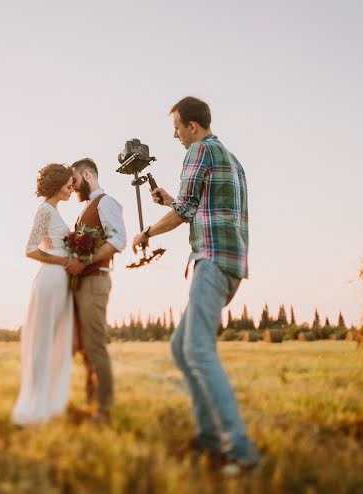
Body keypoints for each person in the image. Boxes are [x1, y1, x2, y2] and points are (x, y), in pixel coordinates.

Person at [131, 96, 261, 474]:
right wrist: (170, 201)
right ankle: (208, 439)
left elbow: (185, 211)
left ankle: (240, 450)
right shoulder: (230, 158)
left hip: (212, 260)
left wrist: (146, 233)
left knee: (199, 351)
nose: (175, 137)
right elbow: (199, 206)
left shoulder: (198, 151)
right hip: (230, 262)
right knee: (180, 347)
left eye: (176, 129)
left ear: (192, 126)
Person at [12, 164, 84, 425]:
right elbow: (30, 250)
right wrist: (63, 262)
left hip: (61, 282)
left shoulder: (55, 211)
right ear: (57, 185)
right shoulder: (44, 210)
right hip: (50, 279)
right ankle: (35, 407)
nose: (71, 188)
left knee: (57, 342)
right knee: (43, 342)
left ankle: (51, 403)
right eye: (68, 184)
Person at [68, 158, 127, 425]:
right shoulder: (85, 209)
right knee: (85, 348)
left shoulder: (106, 203)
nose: (72, 185)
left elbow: (118, 240)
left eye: (75, 180)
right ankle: (90, 403)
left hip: (96, 282)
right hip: (82, 284)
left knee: (96, 345)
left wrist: (87, 261)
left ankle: (103, 410)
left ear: (87, 175)